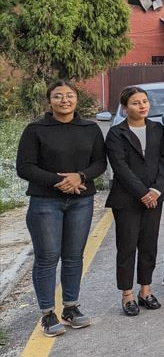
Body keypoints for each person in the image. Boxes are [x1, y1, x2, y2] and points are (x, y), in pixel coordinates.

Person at [16, 80, 105, 336]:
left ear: (77, 99)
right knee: (47, 258)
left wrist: (80, 176)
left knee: (74, 256)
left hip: (81, 200)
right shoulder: (35, 130)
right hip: (45, 202)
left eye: (69, 96)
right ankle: (47, 314)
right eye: (58, 96)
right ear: (50, 101)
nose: (64, 100)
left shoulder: (90, 128)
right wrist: (60, 181)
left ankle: (70, 307)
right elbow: (25, 167)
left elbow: (100, 162)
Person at [105, 87, 164, 316]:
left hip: (155, 197)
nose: (142, 106)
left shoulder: (157, 129)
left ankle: (145, 290)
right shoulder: (116, 133)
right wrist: (143, 193)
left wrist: (156, 191)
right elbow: (120, 167)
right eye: (135, 103)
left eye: (144, 102)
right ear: (125, 108)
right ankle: (127, 295)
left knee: (149, 245)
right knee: (127, 246)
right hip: (127, 200)